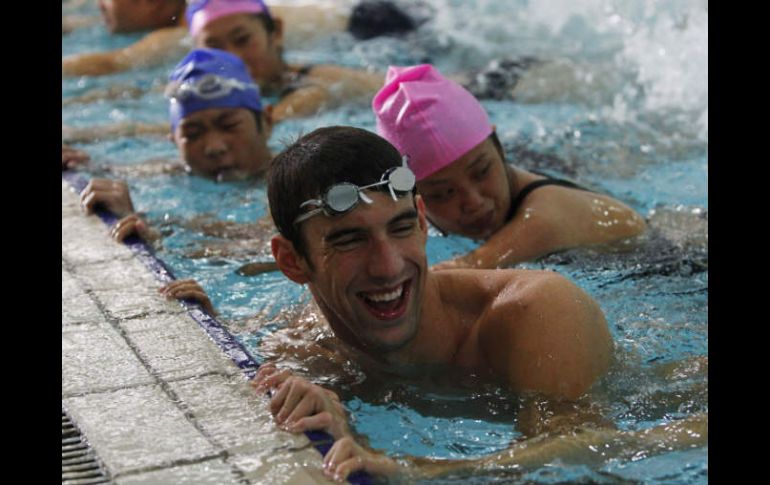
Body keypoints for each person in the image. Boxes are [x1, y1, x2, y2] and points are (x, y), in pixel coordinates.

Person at [252, 125, 706, 482]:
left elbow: (583, 458)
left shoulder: (533, 312)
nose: (388, 266)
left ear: (424, 222)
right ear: (293, 262)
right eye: (351, 240)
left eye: (401, 227)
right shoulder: (311, 347)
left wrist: (419, 471)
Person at [372, 64, 647, 270]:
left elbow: (459, 274)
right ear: (415, 199)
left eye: (482, 172)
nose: (473, 201)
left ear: (499, 147)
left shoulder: (545, 215)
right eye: (444, 193)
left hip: (666, 264)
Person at [78, 48, 275, 248]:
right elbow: (103, 172)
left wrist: (162, 239)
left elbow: (267, 247)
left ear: (267, 122)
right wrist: (80, 163)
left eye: (229, 126)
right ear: (174, 140)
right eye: (193, 134)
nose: (214, 147)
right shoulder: (173, 173)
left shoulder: (294, 183)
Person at [62, 0, 423, 78]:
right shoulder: (212, 14)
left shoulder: (182, 36)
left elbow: (112, 63)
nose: (99, 5)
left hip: (378, 24)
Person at [185, 0, 386, 122]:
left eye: (242, 40)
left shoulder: (311, 89)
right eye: (214, 47)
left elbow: (259, 126)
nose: (232, 57)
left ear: (276, 31)